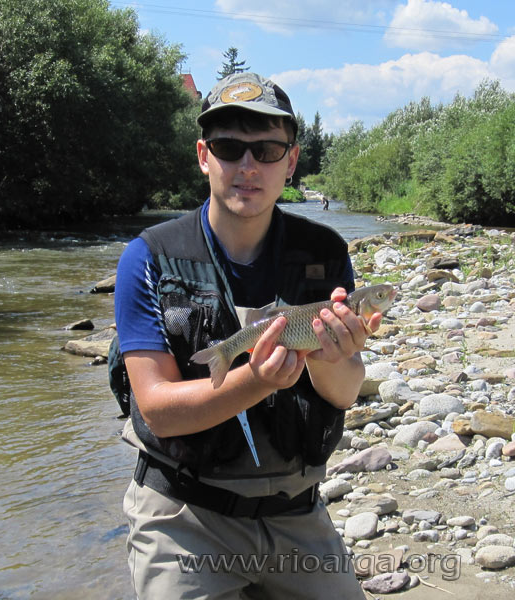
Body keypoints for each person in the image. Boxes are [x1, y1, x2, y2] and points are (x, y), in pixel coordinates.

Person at [114, 72, 383, 599]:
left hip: (296, 514)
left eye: (266, 150)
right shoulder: (146, 258)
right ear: (203, 155)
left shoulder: (325, 255)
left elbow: (345, 391)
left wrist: (333, 354)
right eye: (229, 148)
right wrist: (257, 380)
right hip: (184, 517)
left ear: (291, 160)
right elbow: (157, 408)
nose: (248, 166)